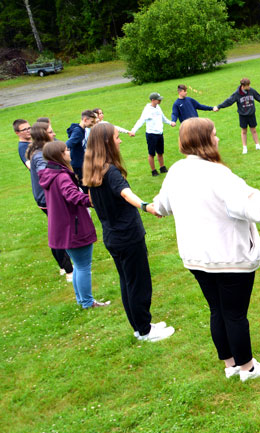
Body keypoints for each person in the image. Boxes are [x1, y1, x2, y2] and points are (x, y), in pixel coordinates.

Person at [150, 117, 260, 381]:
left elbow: (161, 206)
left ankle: (231, 364)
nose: (218, 139)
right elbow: (249, 203)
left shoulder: (177, 171)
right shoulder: (216, 174)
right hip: (228, 258)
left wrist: (152, 206)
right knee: (233, 313)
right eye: (214, 134)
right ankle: (246, 368)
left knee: (218, 311)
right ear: (203, 140)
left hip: (197, 258)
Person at [83, 122, 175, 342]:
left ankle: (139, 326)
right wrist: (146, 206)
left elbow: (94, 200)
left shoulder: (94, 170)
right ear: (107, 142)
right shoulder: (111, 171)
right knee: (139, 283)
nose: (120, 140)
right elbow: (125, 193)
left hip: (113, 237)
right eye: (116, 137)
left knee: (127, 282)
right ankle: (145, 331)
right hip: (128, 237)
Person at [38, 141, 110, 309]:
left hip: (62, 227)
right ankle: (87, 302)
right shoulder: (62, 176)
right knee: (84, 265)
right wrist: (92, 200)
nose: (69, 152)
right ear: (59, 155)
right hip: (73, 227)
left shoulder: (50, 173)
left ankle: (82, 300)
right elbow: (72, 195)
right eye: (66, 150)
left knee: (79, 265)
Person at [25, 122, 74, 282]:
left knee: (59, 230)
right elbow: (44, 174)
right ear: (43, 135)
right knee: (59, 233)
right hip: (48, 200)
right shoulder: (40, 155)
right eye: (51, 132)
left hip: (47, 199)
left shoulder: (42, 151)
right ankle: (68, 270)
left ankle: (64, 266)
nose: (54, 134)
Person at [213, 78, 260, 154]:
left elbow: (259, 97)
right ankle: (244, 148)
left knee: (254, 130)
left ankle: (257, 145)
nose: (249, 87)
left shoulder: (251, 91)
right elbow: (229, 101)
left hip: (251, 114)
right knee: (244, 131)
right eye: (247, 85)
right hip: (243, 115)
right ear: (243, 86)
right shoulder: (237, 94)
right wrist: (219, 106)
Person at [130, 92, 175, 177]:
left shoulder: (158, 107)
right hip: (151, 134)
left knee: (160, 152)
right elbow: (141, 120)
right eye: (158, 99)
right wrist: (133, 130)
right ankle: (153, 170)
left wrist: (170, 123)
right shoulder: (147, 110)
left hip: (159, 133)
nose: (160, 100)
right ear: (153, 100)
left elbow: (163, 118)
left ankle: (162, 168)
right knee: (151, 153)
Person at [65, 110, 97, 184]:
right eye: (92, 122)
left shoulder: (79, 129)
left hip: (79, 162)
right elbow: (67, 144)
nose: (93, 124)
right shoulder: (78, 132)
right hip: (78, 164)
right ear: (85, 120)